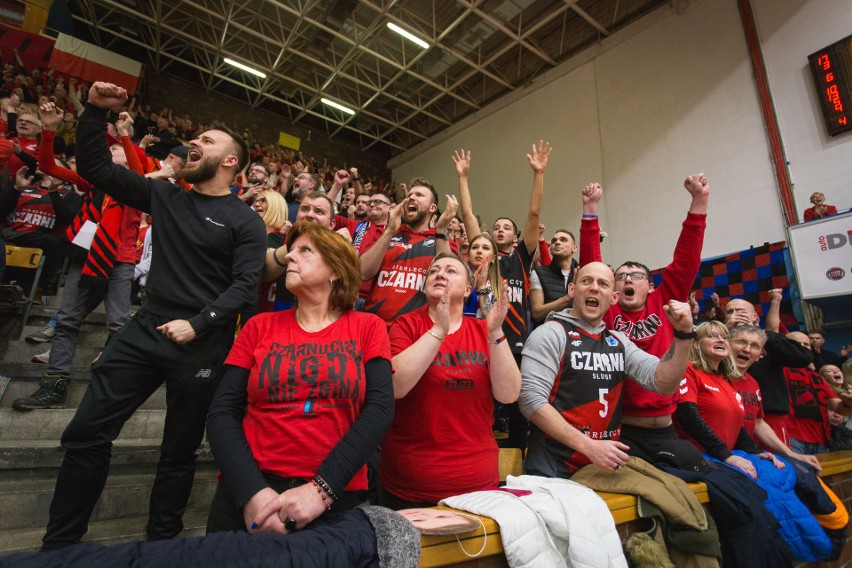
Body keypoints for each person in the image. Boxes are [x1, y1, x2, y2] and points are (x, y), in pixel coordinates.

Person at [39, 81, 267, 550]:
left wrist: (200, 322)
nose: (194, 143)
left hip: (202, 343)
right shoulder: (166, 196)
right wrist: (94, 113)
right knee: (86, 431)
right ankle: (60, 545)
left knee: (178, 453)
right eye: (195, 137)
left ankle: (163, 544)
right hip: (147, 329)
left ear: (229, 162)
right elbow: (98, 168)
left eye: (207, 140)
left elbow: (245, 287)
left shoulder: (245, 220)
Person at [206, 221, 394, 533]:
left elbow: (380, 410)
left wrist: (321, 491)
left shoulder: (368, 326)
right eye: (291, 250)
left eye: (304, 250)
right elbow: (222, 411)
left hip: (333, 501)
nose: (290, 257)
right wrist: (252, 494)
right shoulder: (258, 326)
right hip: (247, 495)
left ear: (335, 270)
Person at [519, 262, 694, 478]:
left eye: (603, 284)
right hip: (552, 469)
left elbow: (664, 383)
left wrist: (684, 336)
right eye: (586, 281)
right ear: (572, 290)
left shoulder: (619, 341)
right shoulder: (549, 334)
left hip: (600, 469)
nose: (594, 287)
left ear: (613, 298)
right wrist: (589, 446)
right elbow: (530, 400)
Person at [379, 253, 520, 508]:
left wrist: (497, 331)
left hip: (478, 485)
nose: (440, 274)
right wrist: (438, 331)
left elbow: (508, 394)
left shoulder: (483, 330)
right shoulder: (406, 325)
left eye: (451, 271)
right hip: (410, 489)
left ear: (468, 290)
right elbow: (396, 386)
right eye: (434, 271)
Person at [453, 143, 550, 450]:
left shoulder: (519, 259)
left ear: (512, 238)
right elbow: (467, 213)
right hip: (483, 344)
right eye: (495, 227)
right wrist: (464, 178)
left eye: (506, 227)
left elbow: (534, 212)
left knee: (520, 411)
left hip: (518, 344)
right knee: (486, 408)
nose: (499, 230)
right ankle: (486, 458)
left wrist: (539, 173)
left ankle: (519, 462)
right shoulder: (478, 269)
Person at [728, 325, 823, 472]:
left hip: (748, 453)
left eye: (754, 346)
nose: (747, 349)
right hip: (726, 455)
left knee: (804, 474)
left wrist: (791, 454)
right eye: (740, 342)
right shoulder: (714, 377)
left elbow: (758, 423)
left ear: (761, 353)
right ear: (727, 343)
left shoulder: (752, 383)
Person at [360, 180, 455, 325]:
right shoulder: (388, 235)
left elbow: (450, 281)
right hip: (373, 325)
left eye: (419, 195)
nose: (411, 197)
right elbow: (363, 272)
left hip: (415, 330)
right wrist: (390, 230)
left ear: (432, 208)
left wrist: (441, 231)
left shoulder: (441, 241)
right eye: (409, 195)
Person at [725, 298, 812, 443]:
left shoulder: (769, 341)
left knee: (779, 463)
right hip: (729, 418)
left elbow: (803, 357)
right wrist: (725, 331)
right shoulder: (718, 339)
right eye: (730, 312)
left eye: (740, 311)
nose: (735, 315)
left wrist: (762, 335)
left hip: (769, 421)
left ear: (755, 317)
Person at [783, 331, 852, 455]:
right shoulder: (778, 370)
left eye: (806, 344)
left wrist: (849, 401)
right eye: (797, 344)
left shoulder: (817, 378)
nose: (803, 347)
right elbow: (772, 328)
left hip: (821, 439)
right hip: (792, 438)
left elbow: (839, 408)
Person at [530, 229, 578, 324]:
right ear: (551, 249)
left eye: (563, 240)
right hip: (548, 333)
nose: (557, 243)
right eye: (554, 241)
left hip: (577, 333)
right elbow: (536, 314)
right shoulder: (538, 273)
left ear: (574, 248)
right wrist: (567, 298)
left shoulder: (581, 273)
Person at [462, 233, 502, 318]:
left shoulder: (498, 287)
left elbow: (491, 319)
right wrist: (470, 287)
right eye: (474, 247)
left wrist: (482, 288)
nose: (479, 251)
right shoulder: (458, 279)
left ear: (494, 258)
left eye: (485, 248)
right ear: (468, 255)